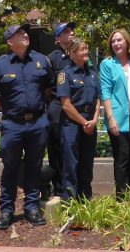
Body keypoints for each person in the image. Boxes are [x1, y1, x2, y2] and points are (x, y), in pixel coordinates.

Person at [0, 23, 52, 229]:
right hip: (13, 124)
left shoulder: (41, 61)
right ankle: (6, 210)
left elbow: (48, 89)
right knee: (10, 167)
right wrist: (11, 109)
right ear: (9, 42)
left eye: (25, 32)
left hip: (38, 123)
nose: (24, 34)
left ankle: (31, 207)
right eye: (18, 33)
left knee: (34, 166)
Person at [100, 28, 130, 198]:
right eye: (113, 41)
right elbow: (106, 92)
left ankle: (129, 192)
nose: (117, 43)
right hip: (118, 118)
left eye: (119, 40)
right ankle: (120, 197)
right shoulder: (108, 64)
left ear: (127, 42)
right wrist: (110, 118)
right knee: (122, 157)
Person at [57, 39, 101, 201]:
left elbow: (98, 100)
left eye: (86, 48)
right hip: (73, 124)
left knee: (87, 164)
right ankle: (69, 202)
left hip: (90, 123)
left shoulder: (93, 74)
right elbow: (66, 105)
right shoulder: (65, 75)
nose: (86, 52)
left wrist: (95, 120)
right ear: (72, 53)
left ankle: (85, 199)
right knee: (71, 164)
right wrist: (84, 122)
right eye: (82, 49)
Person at [46, 21, 76, 198]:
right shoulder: (52, 59)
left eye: (71, 30)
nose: (71, 32)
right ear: (58, 38)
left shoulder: (79, 54)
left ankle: (74, 186)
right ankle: (58, 188)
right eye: (65, 31)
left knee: (72, 146)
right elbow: (47, 88)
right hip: (58, 106)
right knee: (57, 147)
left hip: (76, 105)